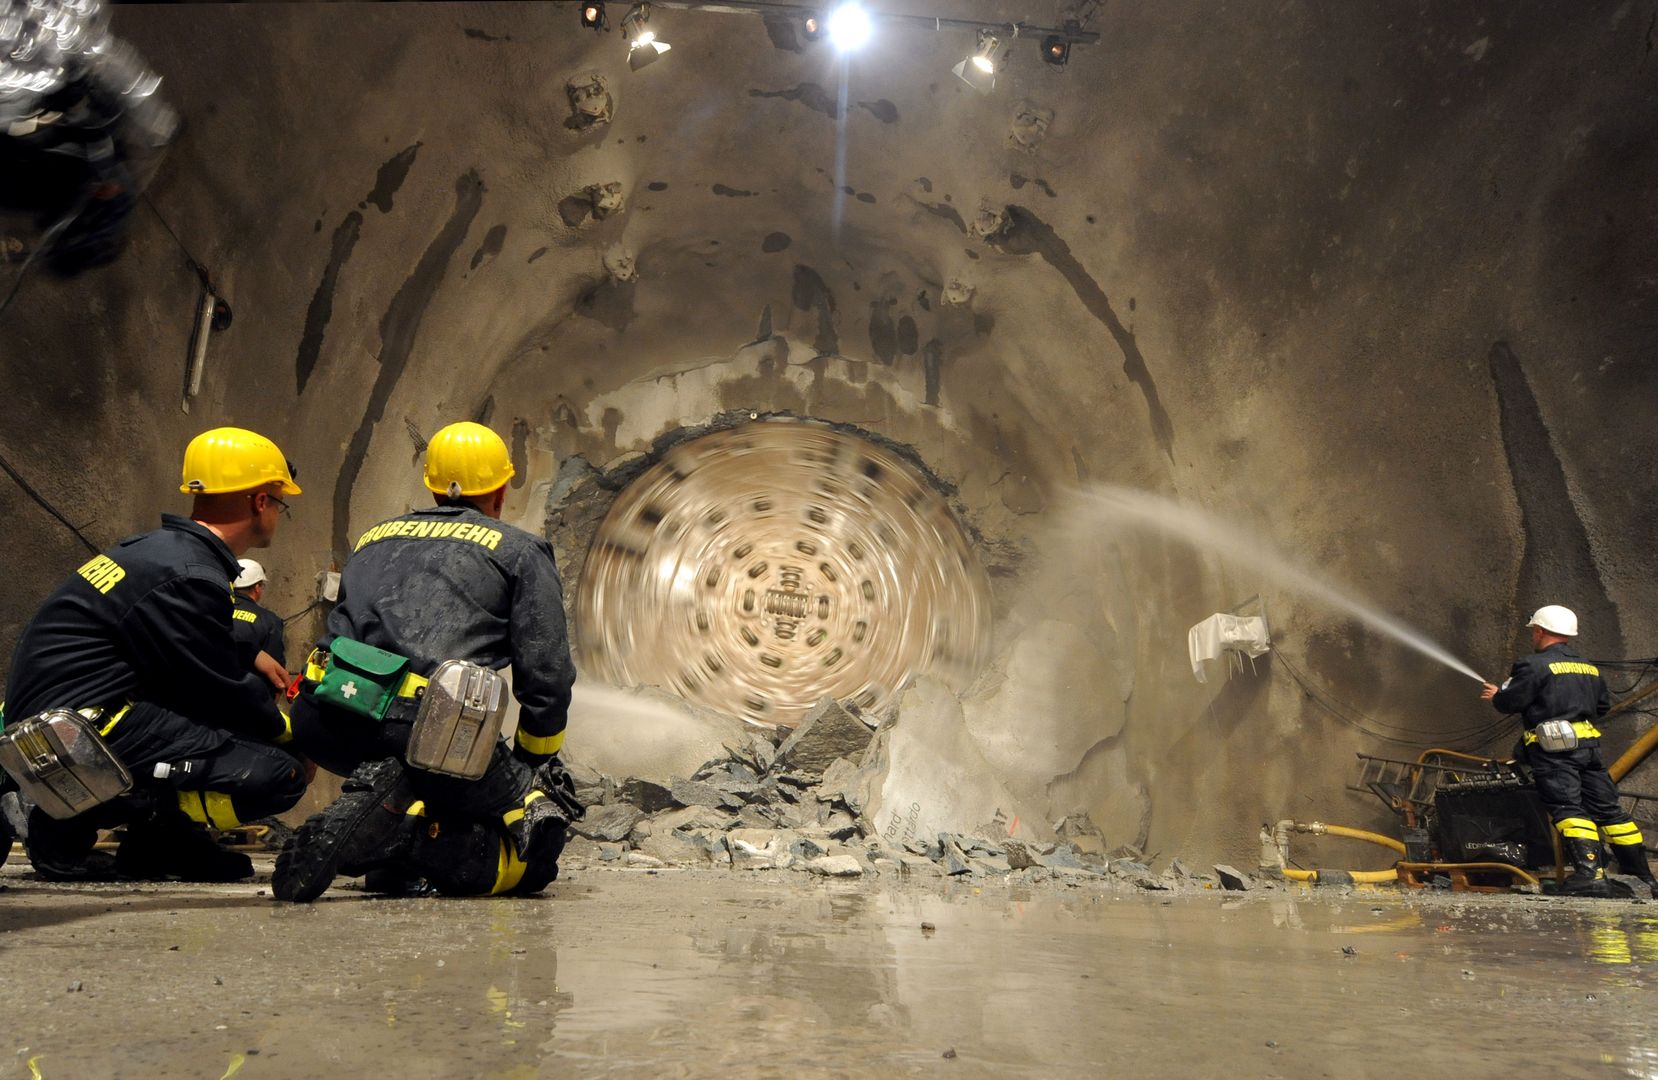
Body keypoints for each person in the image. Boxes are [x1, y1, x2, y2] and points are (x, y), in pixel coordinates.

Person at [275, 421, 581, 902]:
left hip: (322, 720)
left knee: (438, 783)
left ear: (433, 485)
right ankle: (408, 842)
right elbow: (547, 677)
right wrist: (532, 765)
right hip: (426, 732)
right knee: (540, 838)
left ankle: (387, 840)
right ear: (501, 489)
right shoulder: (520, 552)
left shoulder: (374, 537)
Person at [0, 427, 308, 881]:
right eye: (281, 503)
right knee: (279, 772)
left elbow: (157, 630)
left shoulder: (156, 552)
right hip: (80, 731)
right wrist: (293, 733)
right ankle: (74, 821)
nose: (279, 514)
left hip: (53, 715)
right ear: (260, 501)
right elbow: (217, 690)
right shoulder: (192, 574)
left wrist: (250, 653)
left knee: (194, 727)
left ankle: (153, 841)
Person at [1481, 605, 1658, 898]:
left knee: (1568, 808)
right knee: (1609, 810)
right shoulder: (1589, 667)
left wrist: (1499, 695)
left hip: (1554, 750)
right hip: (1589, 750)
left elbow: (1511, 702)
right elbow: (1602, 707)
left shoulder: (1533, 665)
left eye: (1534, 632)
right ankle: (1642, 878)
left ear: (1539, 631)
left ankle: (1590, 875)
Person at [230, 558, 288, 682]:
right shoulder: (270, 620)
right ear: (257, 587)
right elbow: (275, 663)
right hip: (252, 694)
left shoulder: (216, 611)